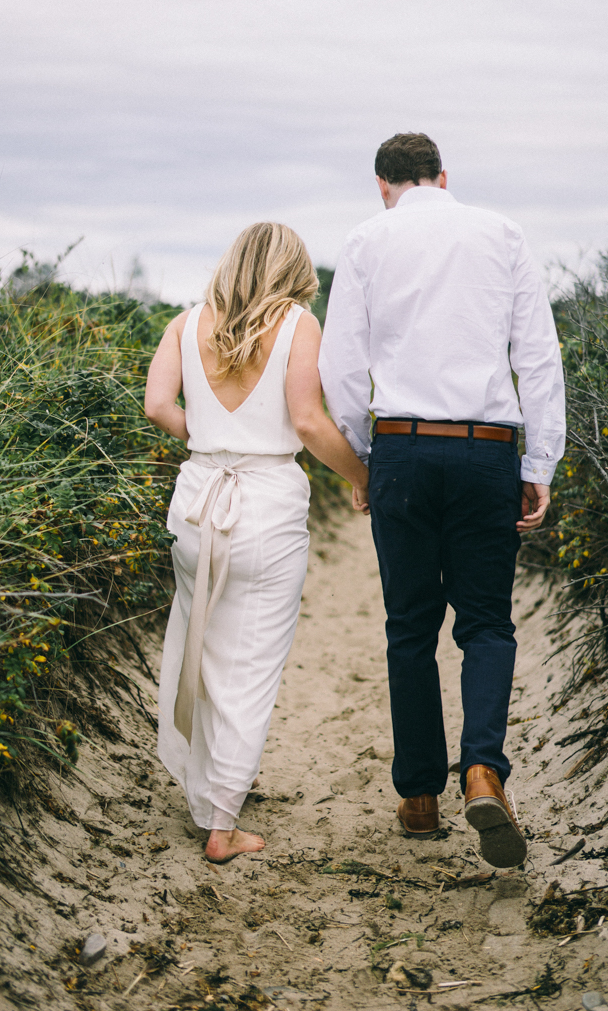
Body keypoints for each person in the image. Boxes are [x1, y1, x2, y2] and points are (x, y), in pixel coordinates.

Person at [319, 133, 565, 868]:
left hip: (403, 445)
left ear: (382, 184)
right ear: (443, 177)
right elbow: (538, 355)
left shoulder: (367, 239)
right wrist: (540, 459)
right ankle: (484, 771)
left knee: (409, 626)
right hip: (488, 447)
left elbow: (341, 367)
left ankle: (420, 797)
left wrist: (365, 459)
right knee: (487, 622)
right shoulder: (502, 234)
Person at [144, 222, 369, 863]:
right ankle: (222, 823)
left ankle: (211, 780)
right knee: (250, 666)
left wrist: (214, 439)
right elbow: (306, 420)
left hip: (195, 503)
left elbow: (158, 405)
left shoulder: (186, 325)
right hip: (264, 508)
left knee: (204, 645)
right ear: (291, 270)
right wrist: (363, 476)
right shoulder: (299, 325)